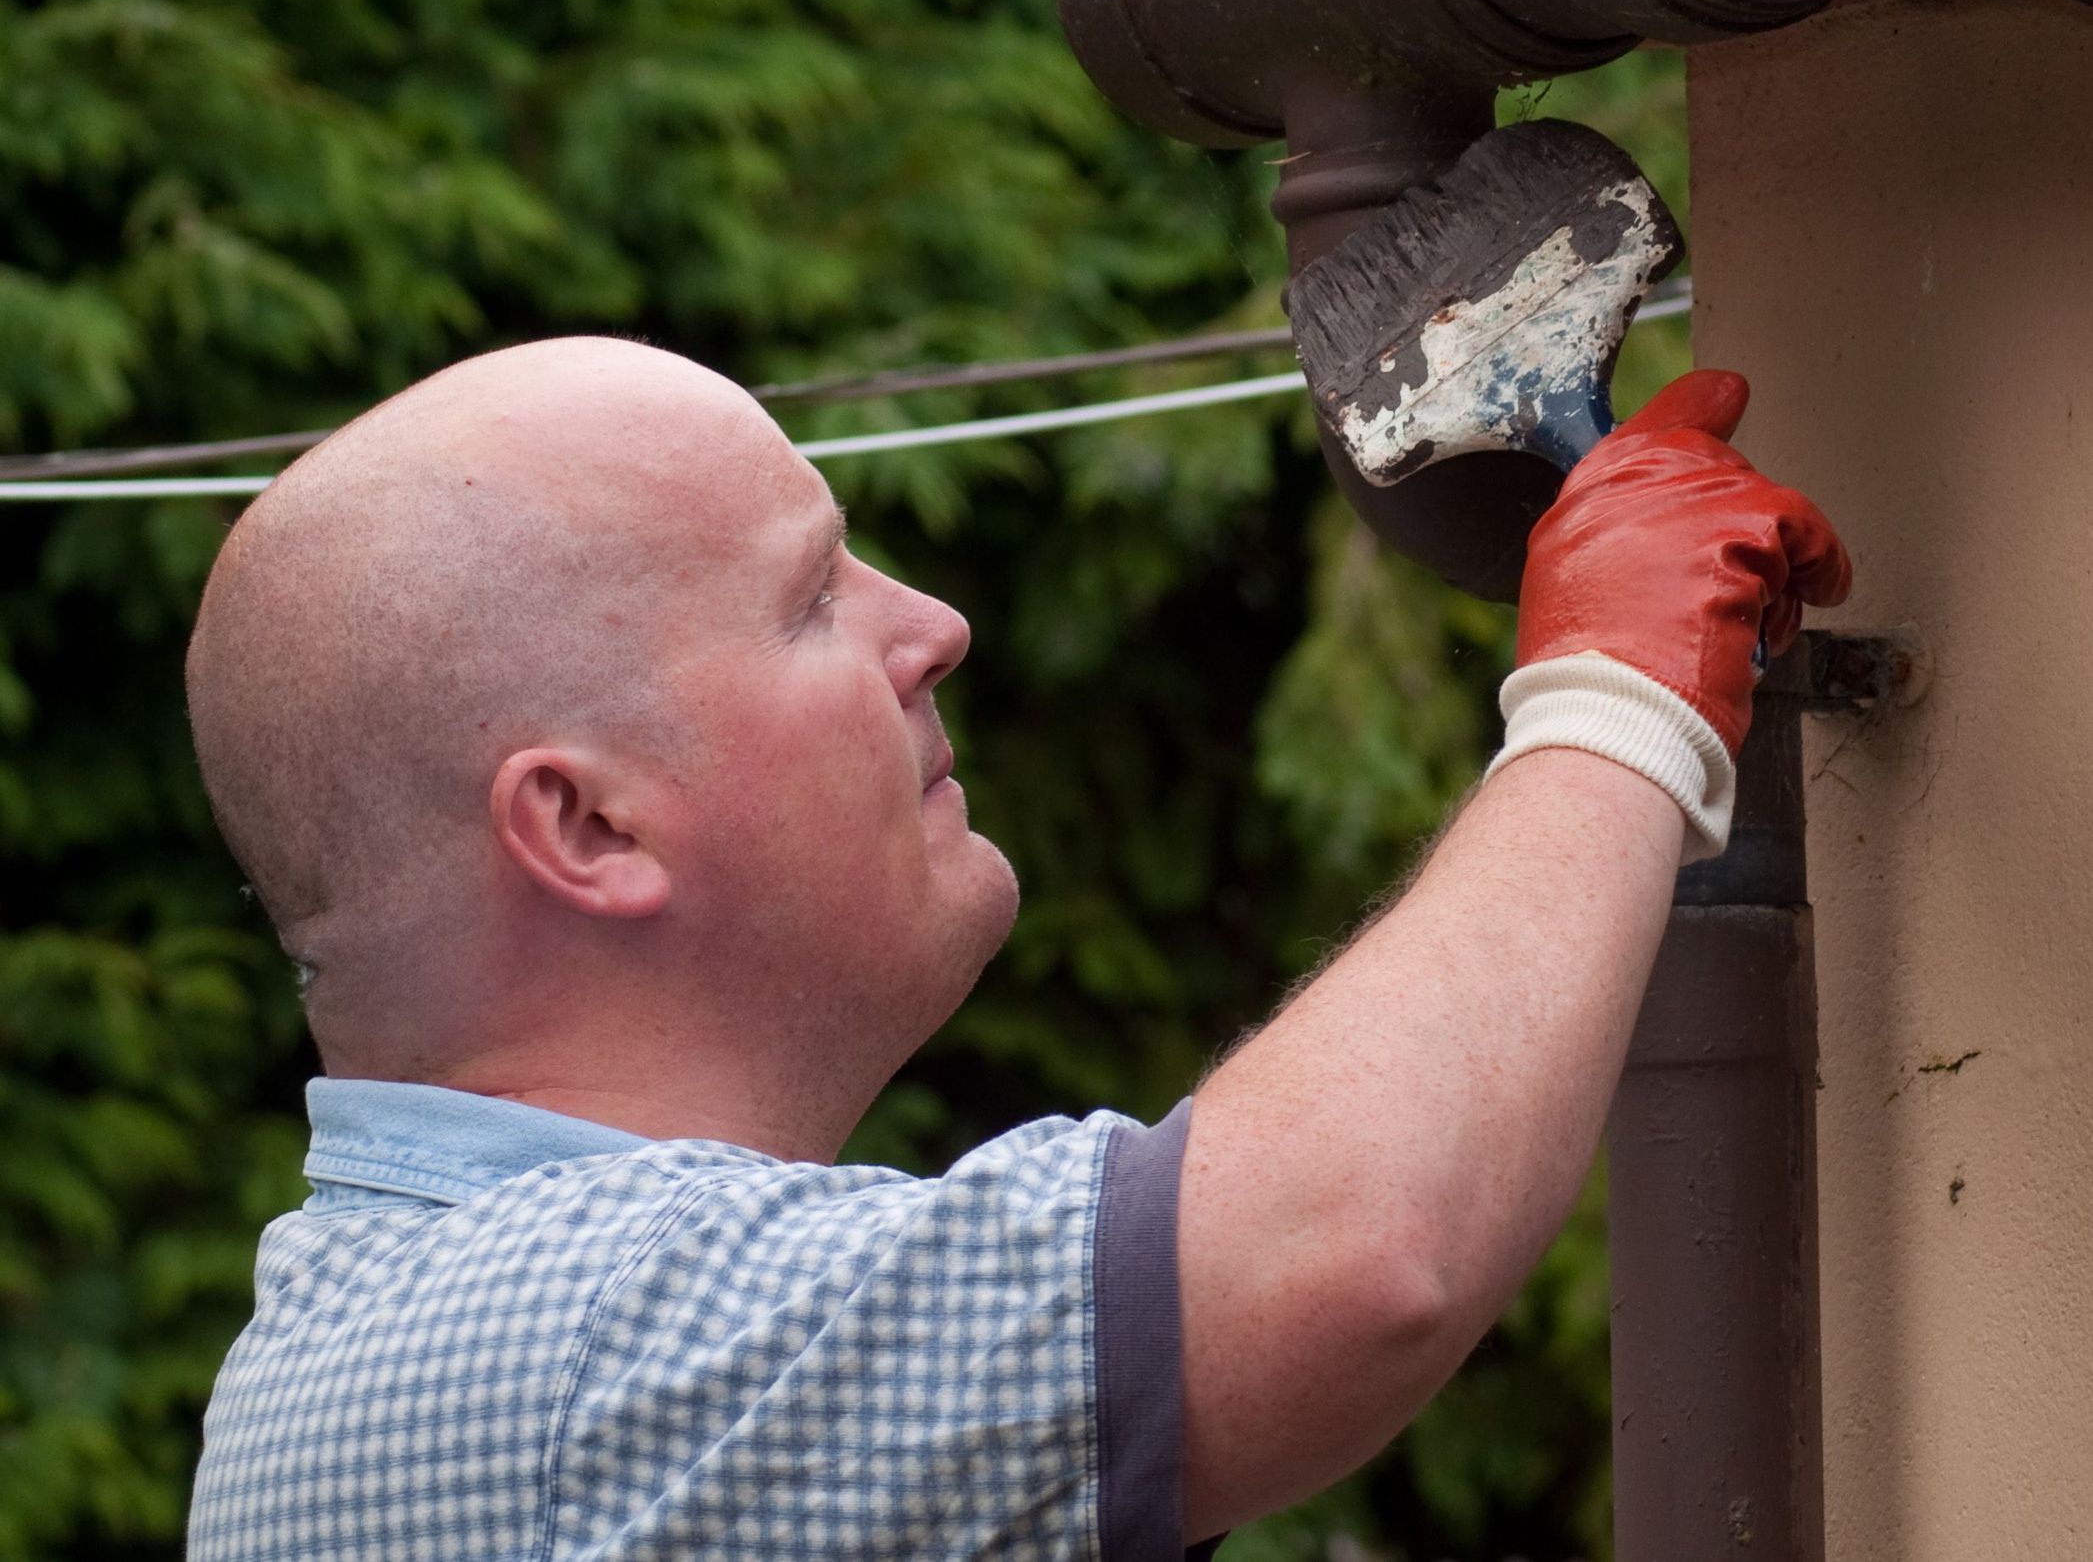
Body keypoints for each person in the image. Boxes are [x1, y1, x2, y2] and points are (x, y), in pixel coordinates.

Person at [182, 336, 1848, 1560]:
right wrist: (1616, 687)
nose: (933, 628)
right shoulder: (569, 1347)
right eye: (813, 598)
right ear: (590, 829)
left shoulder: (418, 1324)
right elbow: (1347, 1250)